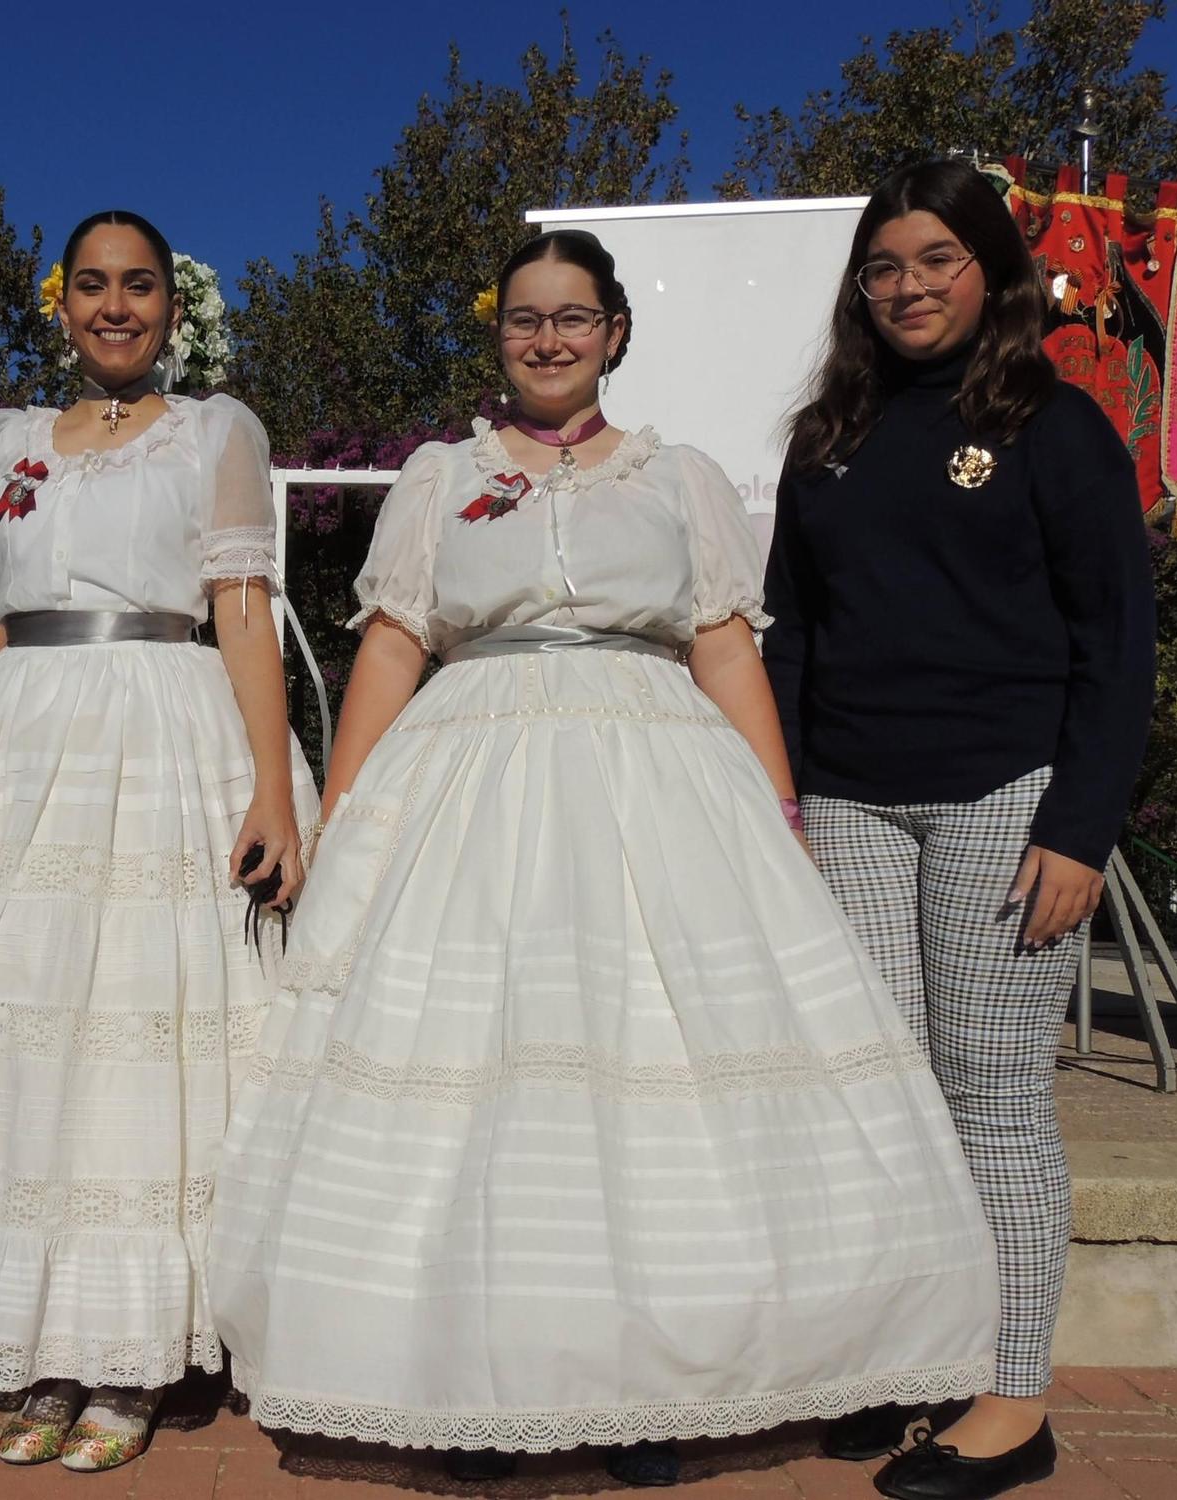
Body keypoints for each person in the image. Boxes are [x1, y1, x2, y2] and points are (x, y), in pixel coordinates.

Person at [209, 229, 1001, 1490]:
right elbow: (395, 647)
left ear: (614, 334)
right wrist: (342, 809)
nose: (548, 338)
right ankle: (466, 1371)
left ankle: (648, 1386)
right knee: (483, 1076)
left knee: (651, 1073)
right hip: (471, 777)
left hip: (657, 775)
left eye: (574, 317)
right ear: (499, 337)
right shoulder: (435, 477)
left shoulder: (676, 477)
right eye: (525, 318)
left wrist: (776, 815)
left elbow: (727, 649)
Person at [0, 210, 319, 1475]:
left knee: (131, 1041)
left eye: (136, 286)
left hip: (160, 743)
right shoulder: (3, 443)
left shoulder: (218, 431)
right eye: (90, 286)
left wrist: (274, 792)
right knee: (20, 1034)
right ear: (62, 305)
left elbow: (243, 619)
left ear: (169, 306)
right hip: (10, 756)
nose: (113, 307)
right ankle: (37, 1340)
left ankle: (131, 1357)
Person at [763, 158, 1156, 1500]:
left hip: (1009, 795)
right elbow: (795, 641)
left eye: (937, 259)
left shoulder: (1054, 423)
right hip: (854, 805)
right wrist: (791, 808)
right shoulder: (826, 437)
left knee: (994, 1095)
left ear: (987, 271)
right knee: (881, 1097)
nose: (910, 285)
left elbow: (1118, 639)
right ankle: (904, 1365)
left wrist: (1082, 826)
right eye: (885, 266)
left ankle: (1010, 1398)